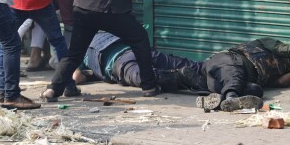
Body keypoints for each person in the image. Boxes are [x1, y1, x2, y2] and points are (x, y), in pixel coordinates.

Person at [197, 37, 290, 112]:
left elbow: (282, 82)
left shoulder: (283, 72)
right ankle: (230, 96)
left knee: (256, 90)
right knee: (234, 76)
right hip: (231, 63)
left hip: (219, 83)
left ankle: (220, 100)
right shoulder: (266, 43)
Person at [73, 32, 207, 92]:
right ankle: (212, 68)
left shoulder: (83, 48)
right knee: (188, 64)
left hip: (122, 63)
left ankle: (178, 77)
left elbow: (77, 76)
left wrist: (83, 75)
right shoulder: (108, 32)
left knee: (144, 77)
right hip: (142, 52)